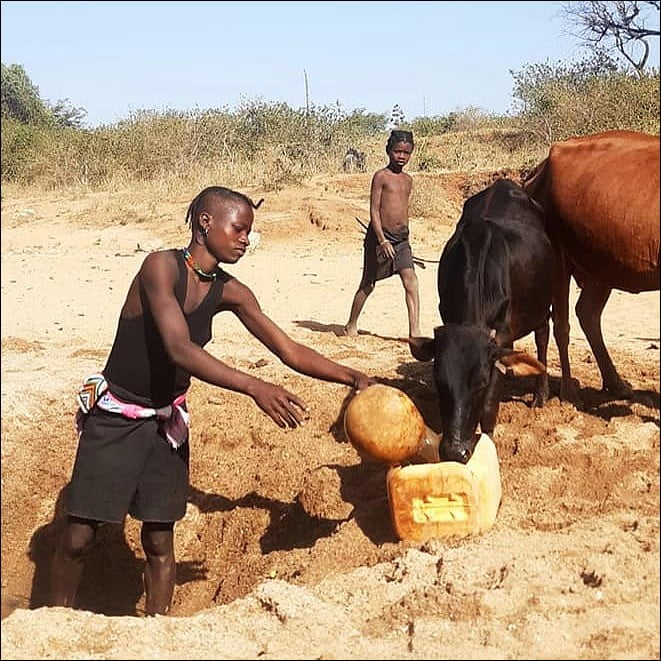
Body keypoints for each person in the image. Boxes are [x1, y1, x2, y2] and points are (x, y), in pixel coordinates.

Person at [49, 185, 375, 616]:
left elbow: (288, 348)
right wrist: (254, 386)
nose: (245, 239)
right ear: (206, 223)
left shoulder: (230, 291)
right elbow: (179, 348)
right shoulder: (159, 269)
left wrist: (352, 375)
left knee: (160, 539)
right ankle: (53, 621)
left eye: (248, 233)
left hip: (166, 424)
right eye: (239, 229)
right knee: (79, 536)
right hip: (117, 415)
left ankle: (157, 631)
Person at [343, 130, 421, 338]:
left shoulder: (408, 180)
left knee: (411, 279)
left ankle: (415, 331)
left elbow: (402, 209)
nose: (401, 156)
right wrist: (382, 240)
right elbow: (374, 210)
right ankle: (351, 323)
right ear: (389, 151)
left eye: (406, 152)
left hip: (401, 240)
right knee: (368, 284)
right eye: (397, 151)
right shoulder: (381, 177)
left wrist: (402, 236)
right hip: (379, 239)